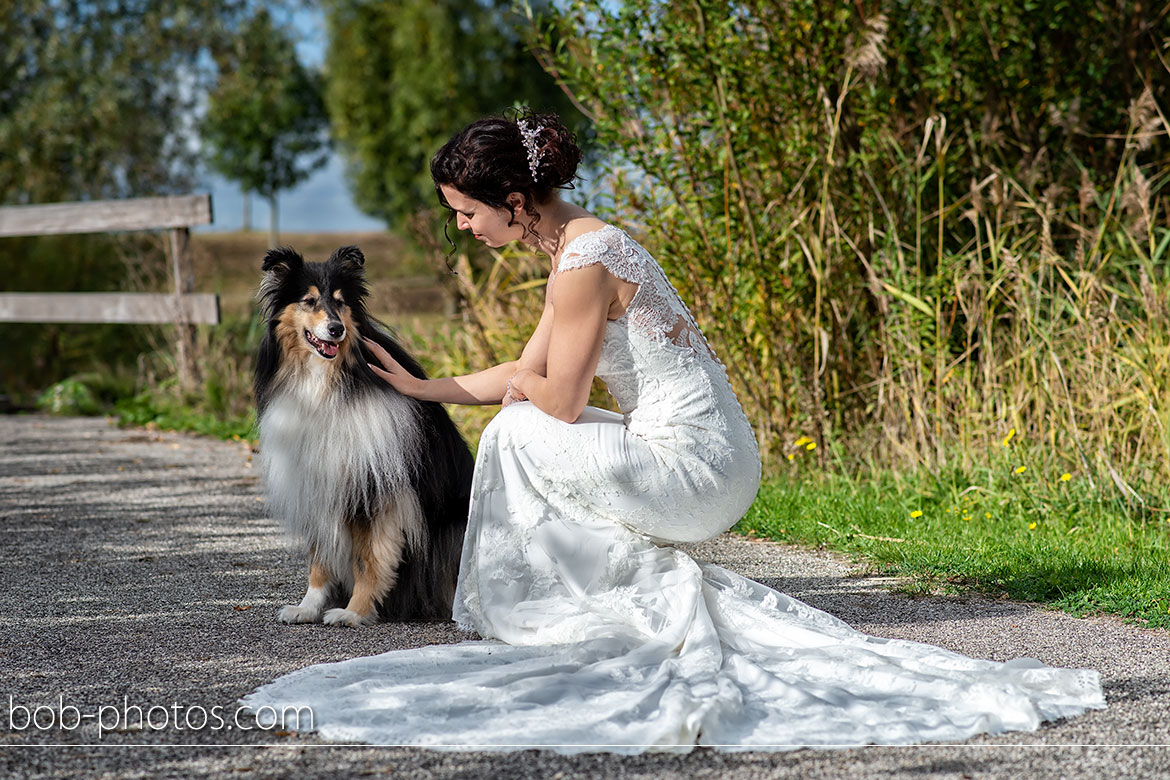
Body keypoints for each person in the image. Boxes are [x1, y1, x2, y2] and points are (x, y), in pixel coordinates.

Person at [242, 110, 1104, 751]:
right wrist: (425, 385)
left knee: (514, 434)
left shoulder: (580, 265)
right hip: (700, 452)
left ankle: (534, 605)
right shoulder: (575, 248)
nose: (463, 228)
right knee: (510, 421)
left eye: (468, 212)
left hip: (695, 468)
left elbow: (562, 402)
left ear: (513, 201)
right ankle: (556, 594)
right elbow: (522, 372)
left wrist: (496, 399)